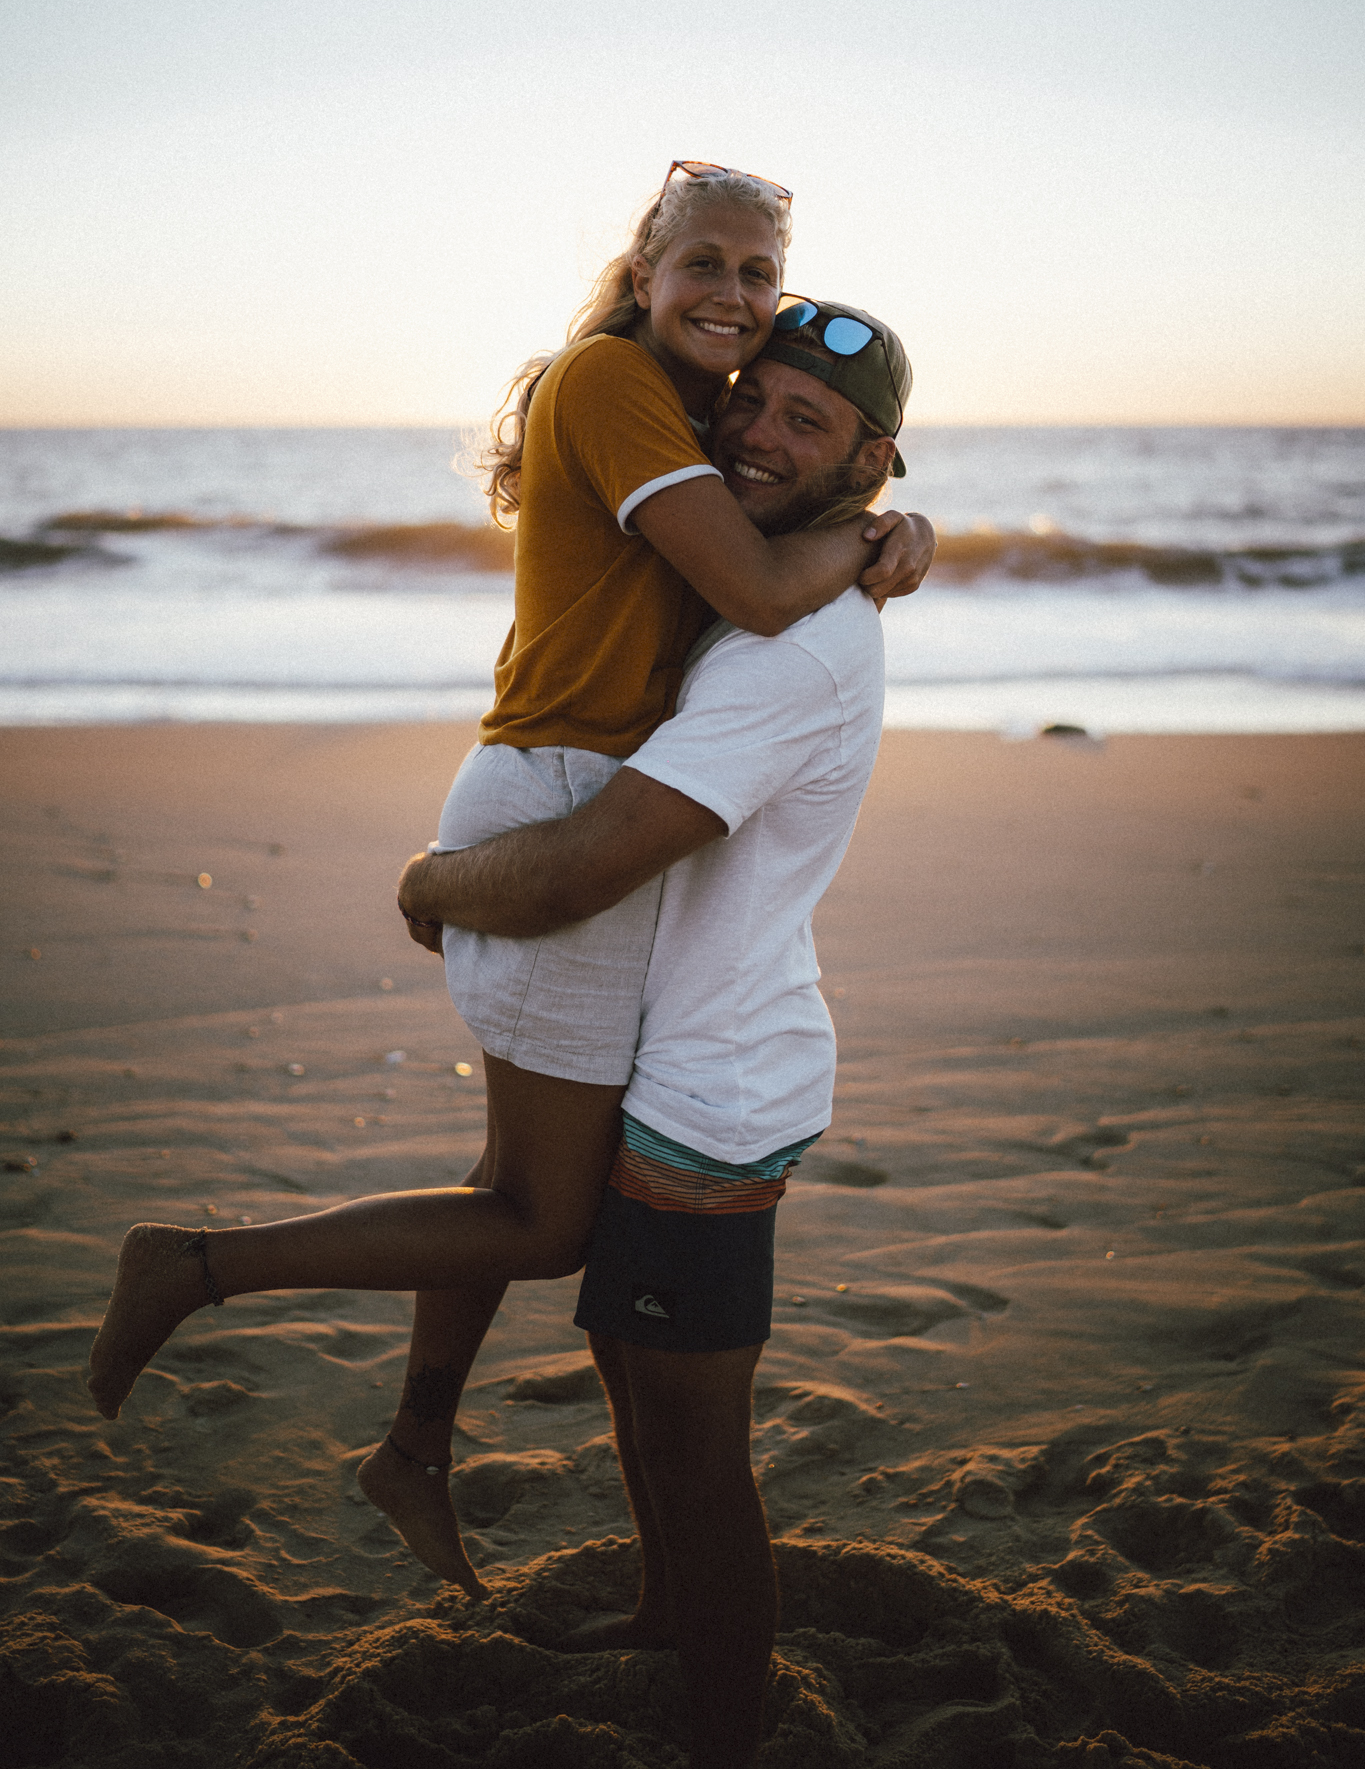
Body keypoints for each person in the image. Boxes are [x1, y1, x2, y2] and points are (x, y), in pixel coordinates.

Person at [85, 169, 931, 1569]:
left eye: (757, 272)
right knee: (541, 1223)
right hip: (564, 799)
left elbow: (775, 514)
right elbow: (757, 587)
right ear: (645, 271)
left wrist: (892, 523)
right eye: (703, 263)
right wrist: (873, 533)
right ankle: (197, 1266)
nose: (730, 295)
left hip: (563, 780)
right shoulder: (611, 383)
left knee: (507, 1180)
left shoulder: (685, 412)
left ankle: (416, 1445)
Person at [393, 298, 911, 1769]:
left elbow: (581, 871)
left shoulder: (788, 653)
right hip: (659, 1054)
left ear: (868, 463)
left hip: (708, 1098)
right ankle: (658, 1622)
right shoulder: (749, 585)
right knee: (633, 1395)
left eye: (806, 422)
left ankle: (727, 1731)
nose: (757, 433)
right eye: (752, 400)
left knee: (697, 1456)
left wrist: (432, 886)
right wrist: (887, 538)